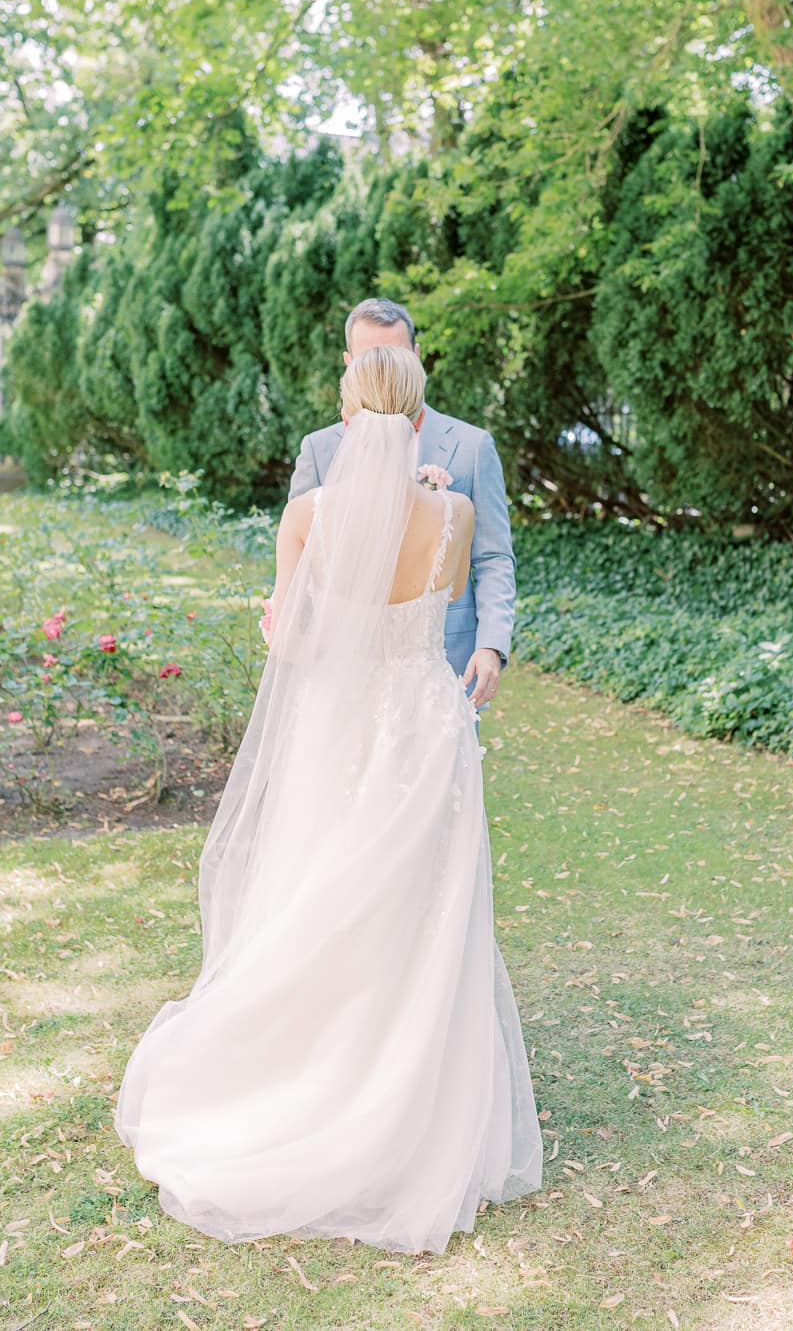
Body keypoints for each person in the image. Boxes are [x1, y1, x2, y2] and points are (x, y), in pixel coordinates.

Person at [114, 343, 543, 1254]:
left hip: (339, 731)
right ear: (418, 407)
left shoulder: (308, 514)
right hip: (426, 729)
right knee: (426, 917)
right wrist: (422, 498)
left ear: (347, 411)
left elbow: (294, 639)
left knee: (318, 896)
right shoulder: (454, 509)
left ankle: (305, 1077)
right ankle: (413, 1106)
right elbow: (453, 586)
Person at [287, 297, 515, 719]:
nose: (383, 370)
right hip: (345, 673)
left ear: (416, 357)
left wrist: (491, 644)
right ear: (348, 363)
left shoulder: (470, 447)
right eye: (370, 358)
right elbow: (301, 572)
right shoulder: (320, 450)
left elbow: (494, 555)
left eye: (393, 356)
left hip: (442, 670)